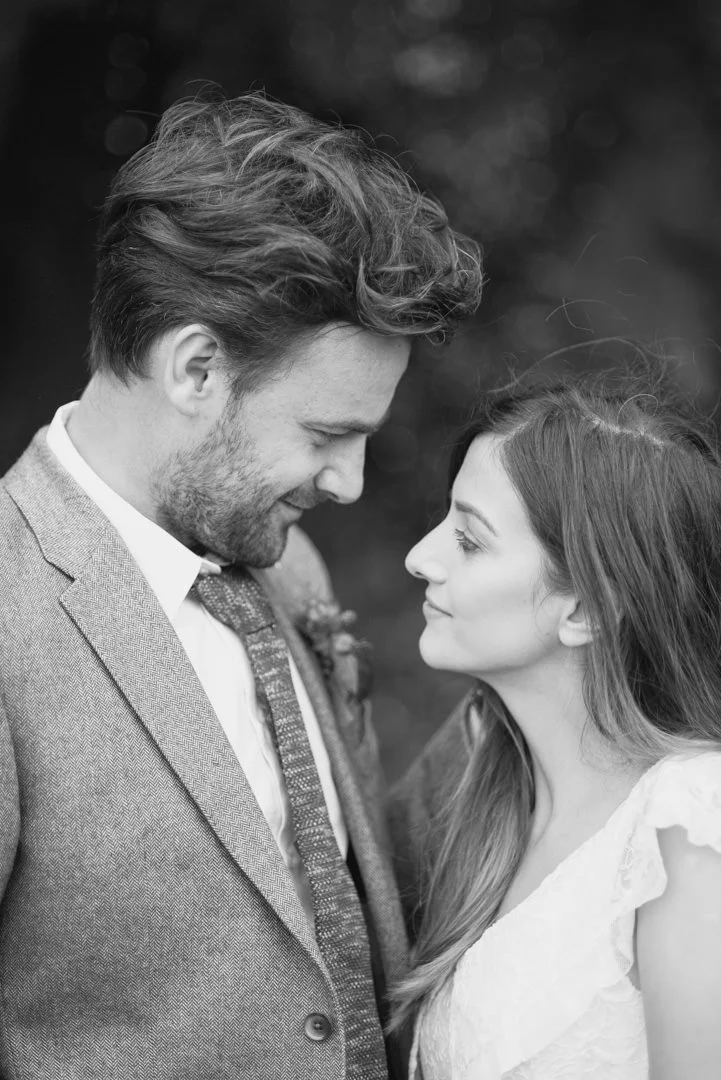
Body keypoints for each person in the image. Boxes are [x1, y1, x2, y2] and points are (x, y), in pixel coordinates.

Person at [0, 92, 482, 1080]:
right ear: (197, 370)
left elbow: (335, 901)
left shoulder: (280, 564)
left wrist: (530, 706)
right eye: (325, 434)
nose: (347, 483)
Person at [389, 373, 721, 1079]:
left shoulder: (688, 825)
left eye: (469, 542)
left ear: (584, 610)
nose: (421, 558)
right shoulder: (488, 796)